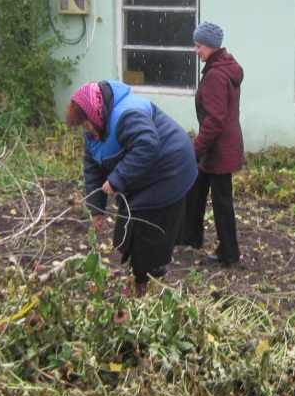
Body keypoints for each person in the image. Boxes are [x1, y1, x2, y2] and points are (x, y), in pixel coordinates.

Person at [66, 80, 197, 297]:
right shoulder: (93, 128)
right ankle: (146, 273)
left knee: (143, 224)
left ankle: (143, 284)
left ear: (96, 112)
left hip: (171, 167)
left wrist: (117, 179)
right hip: (149, 167)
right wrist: (96, 209)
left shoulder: (126, 115)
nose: (86, 130)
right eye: (83, 127)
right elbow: (93, 168)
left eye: (87, 125)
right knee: (131, 218)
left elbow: (147, 146)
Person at [183, 21, 244, 266]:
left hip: (218, 149)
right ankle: (191, 237)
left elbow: (215, 120)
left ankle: (229, 254)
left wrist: (197, 149)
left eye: (199, 46)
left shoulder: (217, 75)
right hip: (219, 147)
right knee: (195, 190)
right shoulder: (222, 67)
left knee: (221, 203)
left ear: (211, 46)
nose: (196, 51)